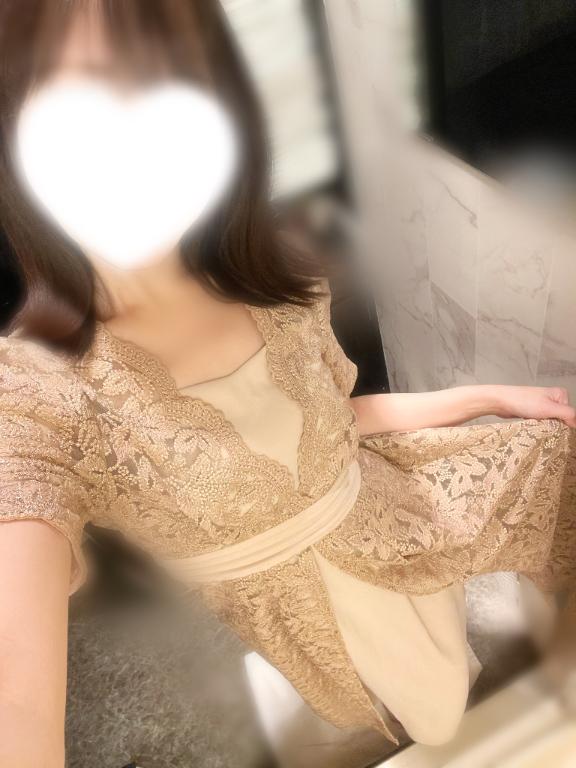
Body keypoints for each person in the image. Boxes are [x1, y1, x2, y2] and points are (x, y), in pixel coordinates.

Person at [1, 2, 575, 766]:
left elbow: (333, 422)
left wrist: (493, 400)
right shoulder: (38, 391)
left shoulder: (280, 282)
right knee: (427, 715)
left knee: (535, 499)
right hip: (309, 622)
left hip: (392, 519)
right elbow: (16, 700)